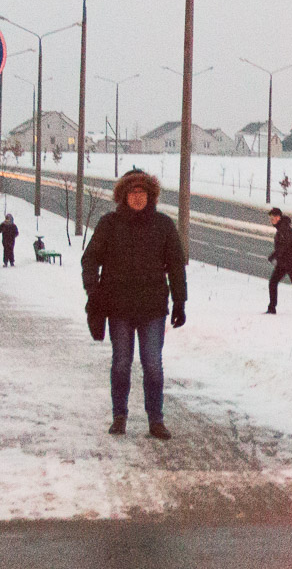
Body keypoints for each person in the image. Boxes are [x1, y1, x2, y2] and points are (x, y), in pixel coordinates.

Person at [81, 169, 187, 440]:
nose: (138, 197)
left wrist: (179, 301)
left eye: (143, 193)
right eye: (132, 192)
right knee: (121, 363)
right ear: (123, 196)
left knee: (153, 364)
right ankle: (119, 416)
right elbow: (90, 258)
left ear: (150, 196)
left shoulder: (163, 225)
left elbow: (176, 264)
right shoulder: (110, 224)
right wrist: (93, 292)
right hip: (119, 308)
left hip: (152, 308)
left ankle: (156, 420)